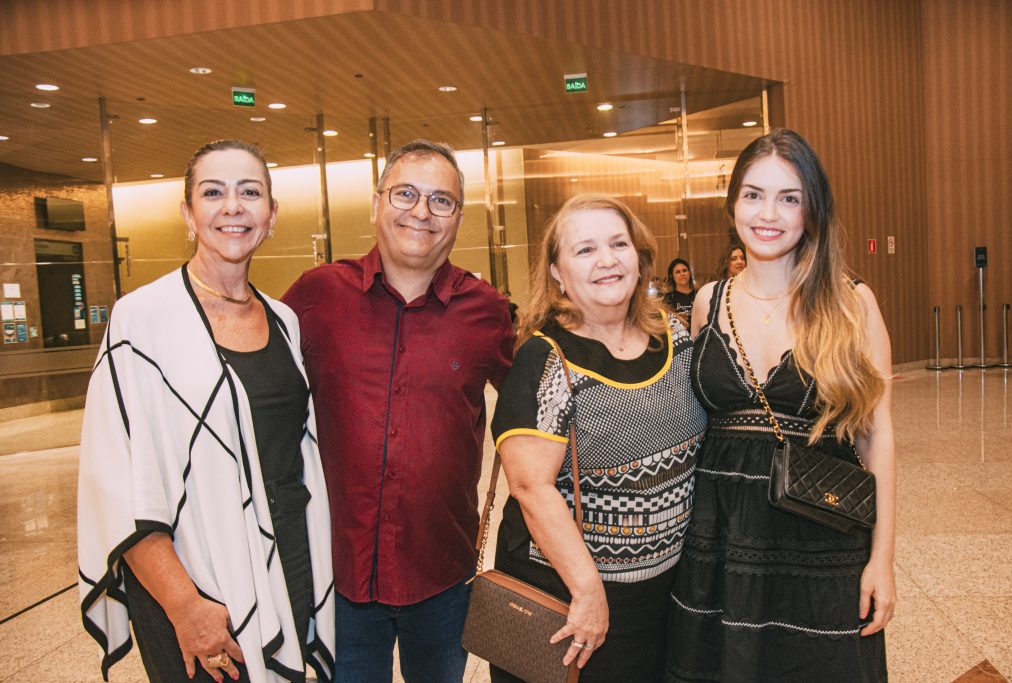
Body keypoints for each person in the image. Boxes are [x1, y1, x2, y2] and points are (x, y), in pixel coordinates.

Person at [78, 139, 335, 683]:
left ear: (271, 216)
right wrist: (184, 606)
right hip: (193, 585)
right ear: (187, 214)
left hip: (287, 558)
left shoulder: (285, 321)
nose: (232, 207)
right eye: (212, 192)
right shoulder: (141, 320)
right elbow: (116, 482)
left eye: (250, 192)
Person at [665, 129, 895, 681]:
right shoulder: (707, 301)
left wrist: (882, 560)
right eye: (753, 194)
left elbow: (877, 434)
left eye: (789, 197)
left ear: (812, 207)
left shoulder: (850, 302)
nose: (769, 213)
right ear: (733, 204)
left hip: (820, 530)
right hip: (721, 534)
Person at [282, 140, 514, 683]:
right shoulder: (318, 296)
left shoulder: (487, 311)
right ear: (376, 202)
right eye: (405, 194)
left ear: (458, 217)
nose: (421, 212)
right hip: (338, 575)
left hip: (443, 574)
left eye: (441, 201)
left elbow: (535, 410)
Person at [490, 194, 707, 682]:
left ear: (639, 256)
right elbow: (530, 487)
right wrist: (588, 593)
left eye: (618, 243)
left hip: (662, 594)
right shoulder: (546, 360)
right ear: (558, 273)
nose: (607, 260)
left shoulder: (679, 339)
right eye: (585, 250)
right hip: (568, 603)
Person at [662, 258, 697, 327]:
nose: (682, 274)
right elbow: (661, 318)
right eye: (678, 272)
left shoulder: (699, 294)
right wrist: (674, 316)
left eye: (684, 270)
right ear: (671, 276)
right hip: (678, 335)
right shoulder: (667, 298)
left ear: (689, 273)